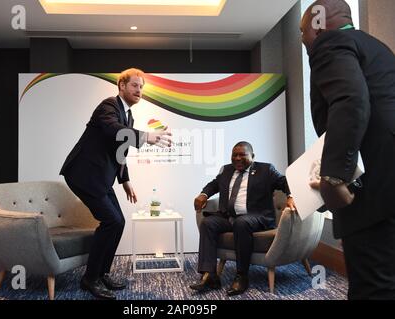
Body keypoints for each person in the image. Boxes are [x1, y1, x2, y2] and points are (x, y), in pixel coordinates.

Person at [301, 0, 395, 299]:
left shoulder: (330, 42)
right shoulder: (378, 49)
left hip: (375, 192)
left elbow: (351, 100)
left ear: (317, 25)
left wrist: (333, 177)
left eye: (303, 33)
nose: (304, 42)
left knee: (373, 287)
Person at [60, 68, 172, 300]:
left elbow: (119, 151)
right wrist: (144, 136)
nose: (139, 90)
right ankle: (90, 279)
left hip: (101, 178)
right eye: (134, 85)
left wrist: (126, 180)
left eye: (141, 87)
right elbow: (114, 131)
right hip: (84, 174)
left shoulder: (128, 115)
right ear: (122, 86)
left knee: (118, 222)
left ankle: (102, 273)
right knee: (111, 221)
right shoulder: (108, 105)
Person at [190, 141, 295, 296]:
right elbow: (214, 185)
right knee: (208, 223)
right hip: (229, 217)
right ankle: (210, 275)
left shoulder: (266, 170)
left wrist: (291, 196)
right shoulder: (226, 170)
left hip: (258, 217)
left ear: (252, 156)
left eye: (242, 155)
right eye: (234, 155)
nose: (237, 158)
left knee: (242, 223)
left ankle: (242, 276)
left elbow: (285, 182)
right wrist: (203, 194)